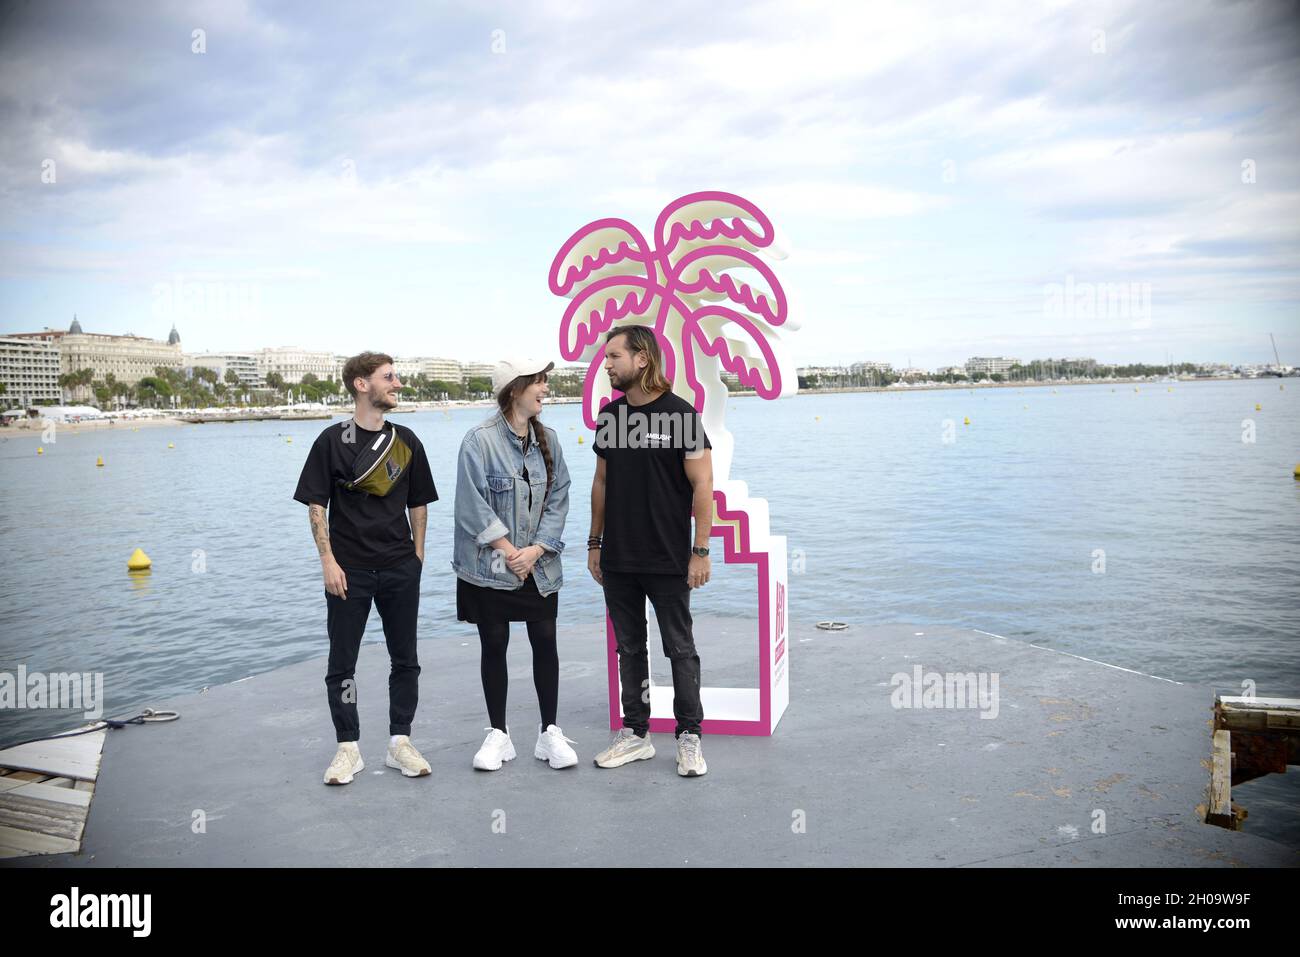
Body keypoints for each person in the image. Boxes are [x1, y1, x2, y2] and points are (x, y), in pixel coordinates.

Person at [292, 351, 438, 785]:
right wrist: (328, 562)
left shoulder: (407, 440)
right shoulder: (331, 440)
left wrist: (417, 559)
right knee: (343, 662)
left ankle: (400, 742)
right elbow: (316, 506)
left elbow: (419, 503)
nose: (398, 384)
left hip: (399, 567)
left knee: (405, 660)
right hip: (348, 570)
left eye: (397, 377)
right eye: (389, 377)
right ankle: (348, 748)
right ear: (361, 384)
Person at [588, 326, 714, 777]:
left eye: (614, 356)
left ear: (642, 359)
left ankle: (689, 738)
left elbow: (703, 486)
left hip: (668, 557)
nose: (607, 365)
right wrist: (594, 542)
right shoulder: (610, 418)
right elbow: (601, 483)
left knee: (680, 648)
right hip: (619, 557)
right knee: (629, 649)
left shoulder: (682, 416)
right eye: (606, 358)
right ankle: (636, 735)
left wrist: (700, 550)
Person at [452, 358, 577, 771]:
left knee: (546, 643)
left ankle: (549, 733)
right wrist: (510, 551)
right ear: (513, 390)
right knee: (494, 645)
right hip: (492, 567)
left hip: (537, 566)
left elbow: (559, 497)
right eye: (538, 382)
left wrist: (536, 550)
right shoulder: (478, 440)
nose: (545, 388)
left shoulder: (551, 440)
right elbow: (471, 507)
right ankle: (498, 734)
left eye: (545, 381)